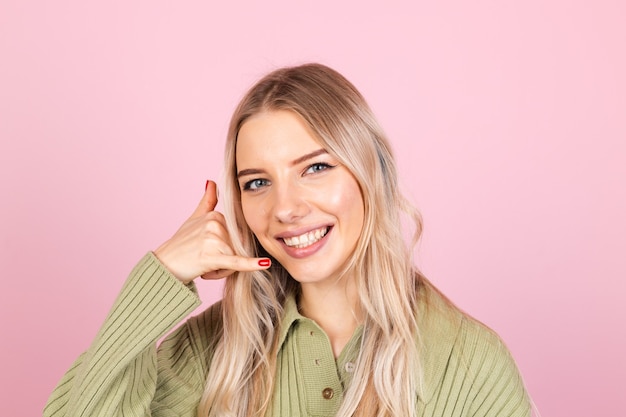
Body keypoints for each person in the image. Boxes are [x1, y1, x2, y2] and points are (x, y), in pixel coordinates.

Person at [44, 63, 531, 417]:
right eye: (257, 182)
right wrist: (161, 274)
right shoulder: (213, 352)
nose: (285, 208)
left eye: (315, 168)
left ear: (370, 173)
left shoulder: (467, 364)